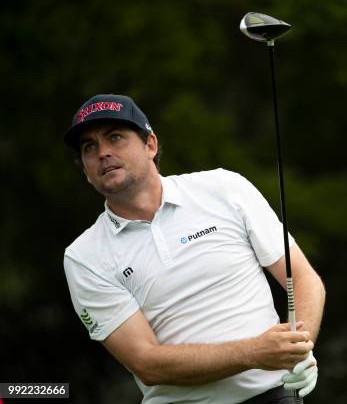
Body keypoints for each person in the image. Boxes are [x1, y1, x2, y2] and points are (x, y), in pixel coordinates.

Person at [62, 94, 326, 404]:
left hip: (272, 396)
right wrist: (255, 352)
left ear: (150, 145)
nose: (103, 152)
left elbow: (304, 278)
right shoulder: (84, 257)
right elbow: (148, 364)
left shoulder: (224, 188)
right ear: (86, 170)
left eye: (115, 137)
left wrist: (300, 347)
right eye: (89, 147)